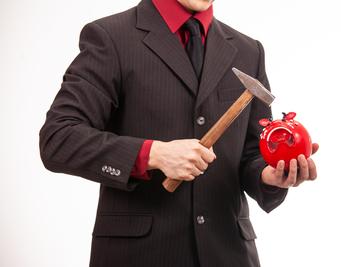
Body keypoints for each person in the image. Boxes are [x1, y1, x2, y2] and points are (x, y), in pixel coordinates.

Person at [39, 0, 319, 266]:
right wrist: (152, 154)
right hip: (139, 256)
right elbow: (59, 138)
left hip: (229, 255)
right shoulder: (111, 37)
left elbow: (250, 153)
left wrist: (268, 176)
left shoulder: (249, 51)